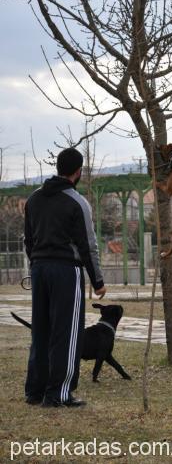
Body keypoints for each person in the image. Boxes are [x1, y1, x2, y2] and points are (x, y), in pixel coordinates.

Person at [24, 147, 106, 407]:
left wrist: (35, 264)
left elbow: (28, 239)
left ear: (58, 167)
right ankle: (58, 393)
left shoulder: (34, 199)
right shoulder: (77, 202)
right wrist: (98, 281)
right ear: (78, 171)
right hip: (66, 271)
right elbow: (87, 245)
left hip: (39, 268)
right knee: (67, 332)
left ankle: (35, 391)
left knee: (41, 330)